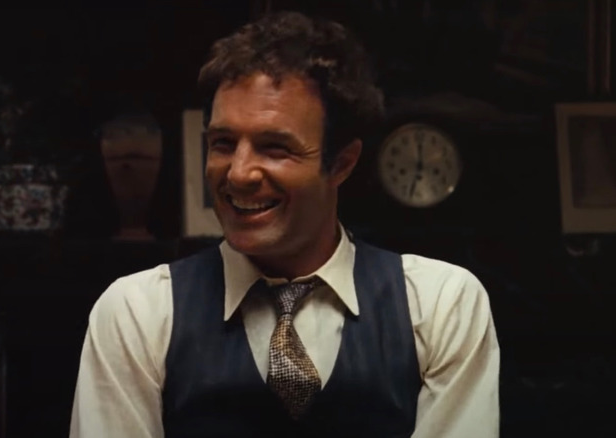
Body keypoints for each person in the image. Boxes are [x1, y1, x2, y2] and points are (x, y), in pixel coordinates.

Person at [70, 10, 499, 438]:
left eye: (275, 148)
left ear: (342, 163)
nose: (238, 173)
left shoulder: (437, 306)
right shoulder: (140, 313)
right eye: (223, 143)